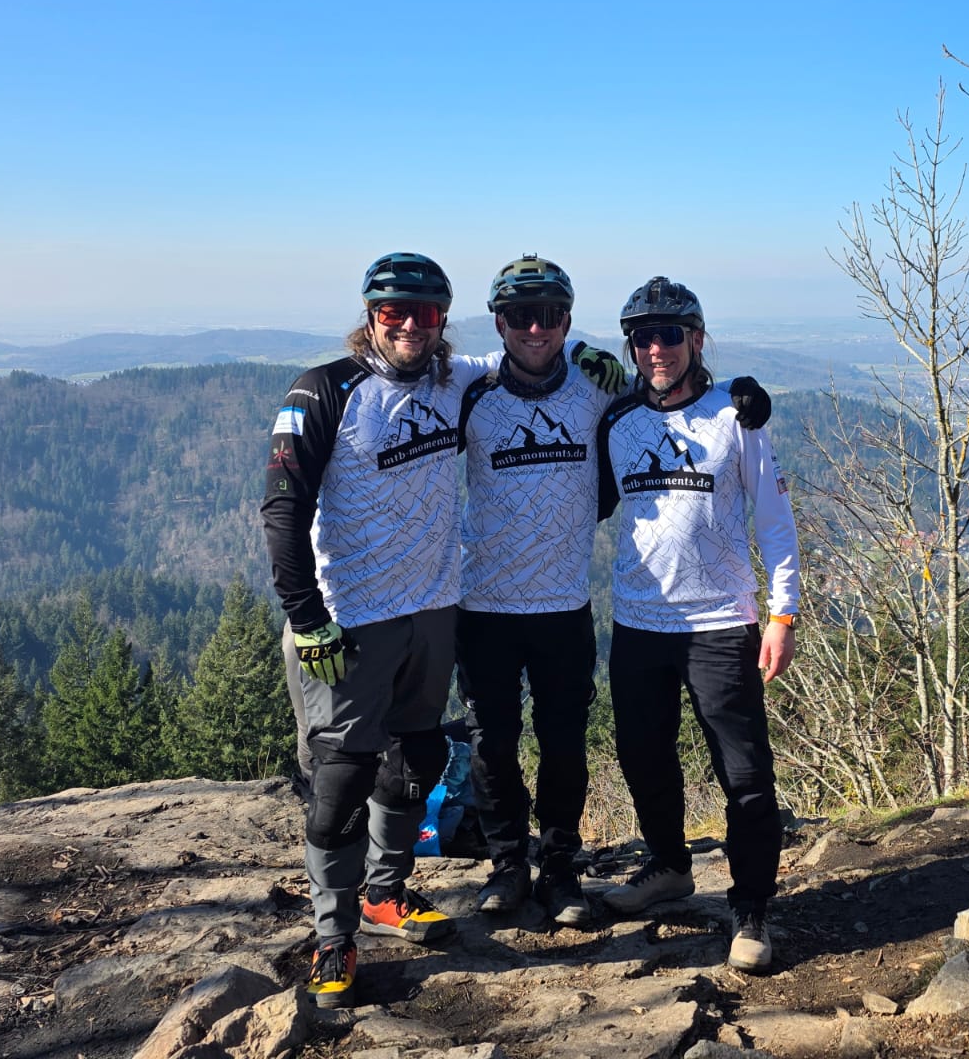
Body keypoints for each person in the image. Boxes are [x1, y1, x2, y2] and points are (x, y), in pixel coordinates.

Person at [261, 252, 623, 1008]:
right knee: (339, 781)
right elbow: (283, 510)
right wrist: (306, 617)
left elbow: (536, 353)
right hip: (349, 618)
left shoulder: (458, 379)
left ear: (444, 323)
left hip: (433, 608)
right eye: (394, 312)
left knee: (415, 758)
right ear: (370, 314)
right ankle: (334, 936)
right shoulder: (323, 389)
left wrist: (598, 351)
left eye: (426, 315)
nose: (411, 327)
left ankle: (386, 895)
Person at [456, 255, 770, 928]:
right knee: (493, 746)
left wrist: (743, 394)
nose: (534, 329)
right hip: (483, 602)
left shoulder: (600, 392)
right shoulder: (469, 389)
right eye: (519, 316)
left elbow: (663, 395)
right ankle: (509, 865)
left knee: (565, 744)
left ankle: (561, 868)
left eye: (550, 317)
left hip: (568, 604)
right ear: (499, 322)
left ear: (568, 320)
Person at [595, 275, 800, 974]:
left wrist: (783, 613)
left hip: (720, 621)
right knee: (643, 755)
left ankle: (751, 909)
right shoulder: (617, 419)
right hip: (639, 621)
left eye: (671, 334)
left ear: (697, 339)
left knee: (743, 773)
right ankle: (668, 868)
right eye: (644, 337)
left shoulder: (737, 418)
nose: (656, 348)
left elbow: (775, 523)